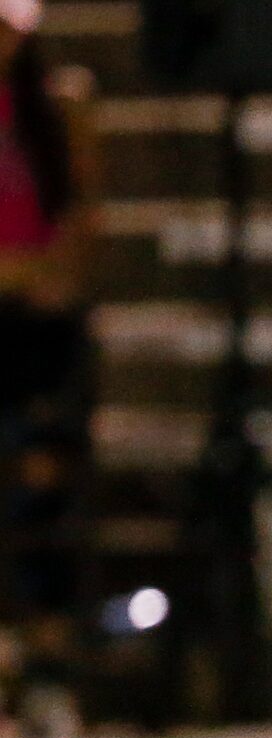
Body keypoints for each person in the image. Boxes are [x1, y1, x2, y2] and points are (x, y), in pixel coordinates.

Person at [0, 0, 94, 634]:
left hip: (38, 320)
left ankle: (44, 633)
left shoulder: (58, 103)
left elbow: (80, 219)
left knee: (42, 471)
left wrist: (41, 277)